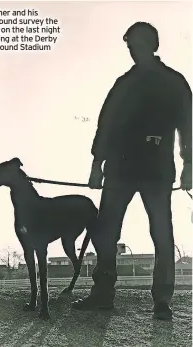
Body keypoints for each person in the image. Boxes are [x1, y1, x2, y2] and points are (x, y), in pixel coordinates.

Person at [72, 22, 192, 320]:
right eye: (129, 45)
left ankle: (162, 301)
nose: (131, 49)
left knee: (162, 236)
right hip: (120, 169)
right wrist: (96, 166)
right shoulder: (123, 83)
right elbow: (105, 125)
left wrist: (189, 164)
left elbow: (188, 127)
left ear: (152, 44)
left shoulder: (174, 82)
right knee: (106, 232)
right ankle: (102, 294)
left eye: (136, 44)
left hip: (157, 170)